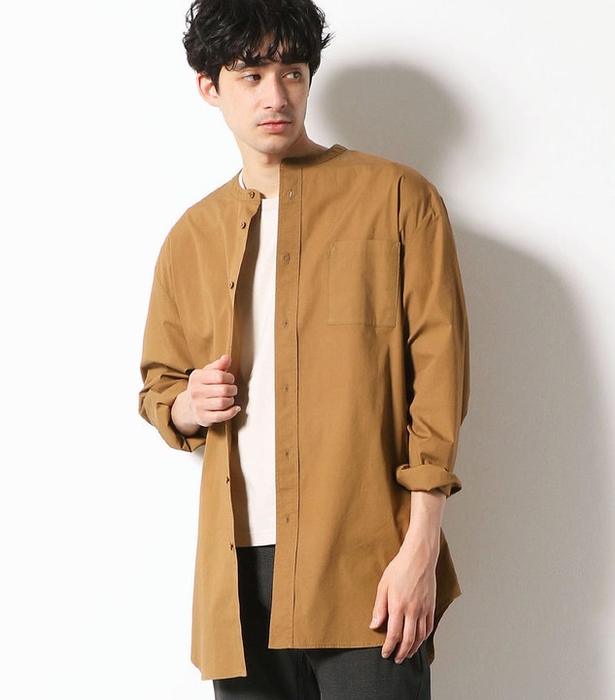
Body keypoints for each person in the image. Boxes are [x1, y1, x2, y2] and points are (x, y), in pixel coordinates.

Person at [139, 0, 469, 697]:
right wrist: (190, 404)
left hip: (368, 566)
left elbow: (439, 388)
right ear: (209, 86)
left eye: (292, 72)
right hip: (238, 582)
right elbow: (159, 390)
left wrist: (421, 548)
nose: (276, 96)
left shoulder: (399, 200)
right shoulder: (191, 238)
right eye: (251, 75)